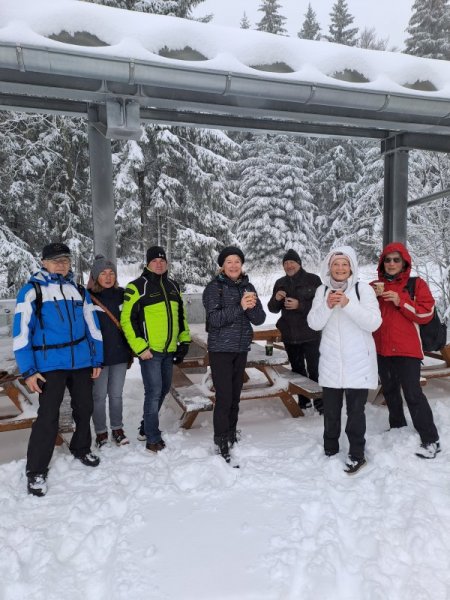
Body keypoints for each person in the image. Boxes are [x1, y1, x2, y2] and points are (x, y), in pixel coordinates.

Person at [13, 242, 103, 497]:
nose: (62, 264)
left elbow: (93, 326)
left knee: (84, 408)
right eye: (56, 260)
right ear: (44, 263)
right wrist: (28, 370)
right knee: (48, 416)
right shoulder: (32, 291)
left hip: (81, 362)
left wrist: (96, 359)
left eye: (66, 260)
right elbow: (21, 334)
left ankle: (81, 448)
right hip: (49, 365)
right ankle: (36, 470)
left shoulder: (78, 290)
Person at [307, 246, 381, 474]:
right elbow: (314, 323)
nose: (340, 268)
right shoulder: (322, 291)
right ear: (329, 267)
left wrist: (348, 304)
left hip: (358, 362)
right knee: (331, 411)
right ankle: (330, 449)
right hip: (331, 362)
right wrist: (328, 306)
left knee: (356, 412)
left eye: (344, 264)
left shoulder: (362, 290)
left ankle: (357, 454)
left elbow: (374, 323)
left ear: (351, 267)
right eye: (335, 264)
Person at [372, 242, 440, 459]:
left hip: (407, 350)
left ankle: (430, 439)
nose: (391, 264)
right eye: (388, 260)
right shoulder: (374, 286)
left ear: (404, 263)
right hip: (382, 349)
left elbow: (426, 314)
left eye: (396, 260)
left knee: (413, 393)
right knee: (390, 391)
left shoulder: (416, 284)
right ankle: (397, 427)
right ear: (382, 263)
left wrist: (400, 301)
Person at [120, 246, 191, 453]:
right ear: (148, 263)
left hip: (169, 350)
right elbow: (127, 321)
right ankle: (152, 437)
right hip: (150, 351)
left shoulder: (173, 286)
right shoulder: (136, 287)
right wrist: (140, 348)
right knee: (153, 392)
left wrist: (184, 341)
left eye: (162, 261)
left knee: (163, 388)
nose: (159, 264)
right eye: (154, 261)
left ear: (166, 263)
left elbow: (181, 317)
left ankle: (145, 426)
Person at [202, 246, 266, 463]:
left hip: (240, 348)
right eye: (229, 262)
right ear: (222, 266)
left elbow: (259, 319)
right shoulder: (214, 288)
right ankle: (220, 438)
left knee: (235, 396)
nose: (233, 265)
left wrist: (251, 306)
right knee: (224, 397)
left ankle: (231, 433)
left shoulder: (248, 286)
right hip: (220, 350)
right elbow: (214, 320)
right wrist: (240, 306)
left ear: (242, 265)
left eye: (237, 261)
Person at [268, 249, 322, 412]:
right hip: (290, 335)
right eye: (286, 263)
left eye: (292, 262)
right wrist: (276, 299)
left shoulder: (313, 279)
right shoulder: (280, 282)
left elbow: (321, 305)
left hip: (310, 333)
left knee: (315, 370)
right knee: (297, 371)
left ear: (299, 263)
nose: (289, 265)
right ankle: (303, 400)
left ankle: (320, 402)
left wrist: (300, 305)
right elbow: (272, 309)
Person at [88, 255, 133, 448]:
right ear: (95, 276)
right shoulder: (88, 297)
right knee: (98, 397)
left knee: (116, 395)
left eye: (111, 273)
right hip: (99, 358)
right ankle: (100, 433)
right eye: (103, 273)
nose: (108, 277)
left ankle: (117, 429)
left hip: (120, 354)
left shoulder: (122, 294)